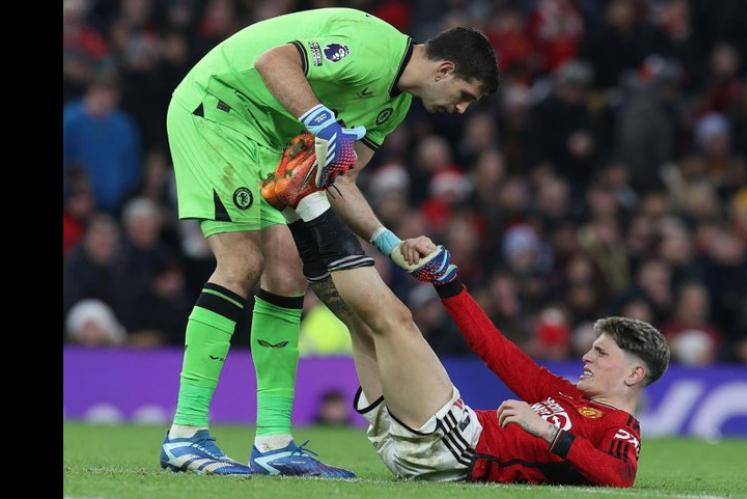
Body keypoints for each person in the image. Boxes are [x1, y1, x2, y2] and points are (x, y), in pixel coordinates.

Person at [159, 6, 498, 477]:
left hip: (266, 139)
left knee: (287, 271)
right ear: (444, 70)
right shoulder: (369, 46)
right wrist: (323, 124)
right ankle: (185, 433)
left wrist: (388, 243)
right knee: (240, 262)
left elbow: (339, 181)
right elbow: (274, 61)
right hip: (218, 110)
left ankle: (274, 442)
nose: (461, 110)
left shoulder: (392, 106)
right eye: (465, 95)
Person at [349, 238, 670, 486]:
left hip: (457, 450)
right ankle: (311, 207)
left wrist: (548, 431)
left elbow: (620, 476)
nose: (587, 356)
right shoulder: (566, 393)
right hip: (411, 450)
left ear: (634, 374)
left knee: (396, 320)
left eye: (601, 353)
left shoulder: (619, 427)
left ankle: (316, 197)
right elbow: (496, 350)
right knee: (356, 318)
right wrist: (447, 282)